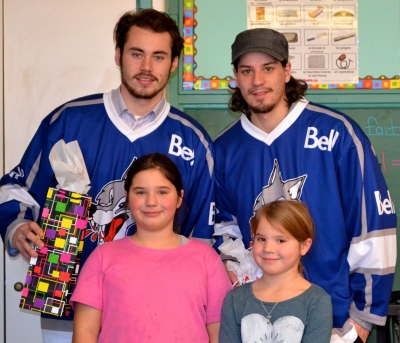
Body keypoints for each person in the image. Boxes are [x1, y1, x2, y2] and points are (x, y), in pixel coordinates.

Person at [0, 9, 215, 342]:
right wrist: (15, 226)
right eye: (136, 54)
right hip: (65, 302)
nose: (146, 67)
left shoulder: (193, 141)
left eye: (158, 56)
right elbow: (15, 187)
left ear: (173, 64)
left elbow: (200, 235)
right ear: (118, 55)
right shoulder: (69, 120)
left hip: (154, 313)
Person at [213, 28, 397, 343]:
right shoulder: (223, 149)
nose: (257, 81)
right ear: (236, 77)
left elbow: (374, 229)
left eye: (268, 68)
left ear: (286, 71)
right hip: (257, 326)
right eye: (247, 71)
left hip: (336, 327)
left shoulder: (338, 134)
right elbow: (223, 231)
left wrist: (361, 322)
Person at [70, 153, 231, 343]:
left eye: (162, 192)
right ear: (127, 198)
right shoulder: (102, 258)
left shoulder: (206, 258)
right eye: (140, 192)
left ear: (179, 198)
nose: (151, 202)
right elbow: (84, 334)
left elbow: (219, 333)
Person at [219, 200, 332, 343]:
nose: (268, 248)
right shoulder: (235, 300)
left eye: (280, 240)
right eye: (261, 239)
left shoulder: (317, 301)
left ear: (304, 246)